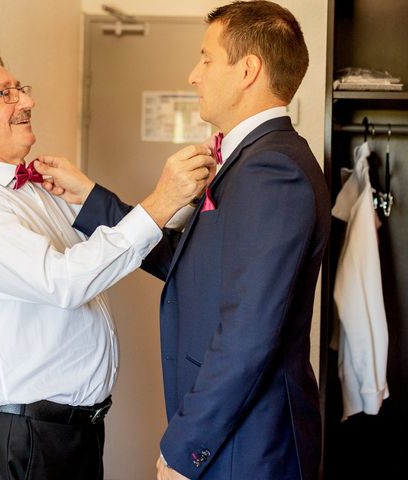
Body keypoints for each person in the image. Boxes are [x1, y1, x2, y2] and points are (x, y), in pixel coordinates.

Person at [36, 2, 331, 479]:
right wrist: (92, 199)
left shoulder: (272, 171)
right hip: (234, 430)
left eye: (207, 59)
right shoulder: (255, 161)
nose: (194, 75)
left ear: (248, 71)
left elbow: (249, 333)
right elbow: (190, 261)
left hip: (248, 443)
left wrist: (186, 445)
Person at [0, 47, 214, 480]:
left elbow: (103, 253)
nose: (27, 101)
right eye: (5, 93)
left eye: (20, 88)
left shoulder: (36, 189)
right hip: (22, 440)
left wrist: (179, 202)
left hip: (74, 432)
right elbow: (65, 281)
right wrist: (159, 201)